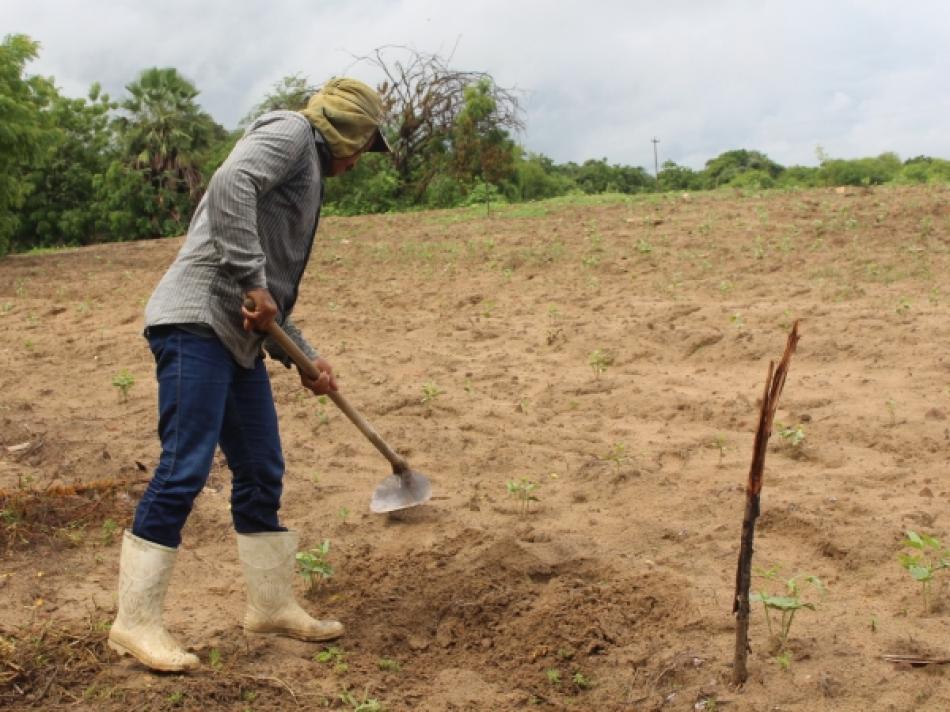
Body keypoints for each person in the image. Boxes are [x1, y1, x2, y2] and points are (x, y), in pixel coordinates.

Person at [107, 78, 391, 672]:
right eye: (364, 144)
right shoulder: (292, 132)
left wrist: (306, 360)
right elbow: (228, 184)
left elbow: (270, 310)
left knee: (261, 468)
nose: (360, 158)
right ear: (347, 133)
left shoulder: (308, 169)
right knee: (184, 466)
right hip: (193, 322)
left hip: (236, 339)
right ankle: (134, 623)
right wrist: (254, 282)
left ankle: (271, 604)